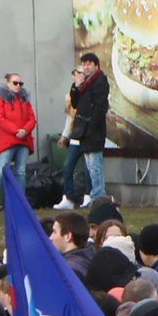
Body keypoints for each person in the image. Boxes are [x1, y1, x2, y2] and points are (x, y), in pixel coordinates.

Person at [63, 52, 107, 207]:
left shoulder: (100, 80)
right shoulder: (83, 83)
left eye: (90, 63)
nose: (87, 67)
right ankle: (96, 197)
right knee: (89, 165)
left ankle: (98, 197)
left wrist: (92, 126)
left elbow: (100, 107)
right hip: (82, 130)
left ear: (96, 65)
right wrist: (76, 86)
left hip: (93, 131)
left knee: (95, 166)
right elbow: (75, 104)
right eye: (84, 64)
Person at [0, 69, 37, 197]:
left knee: (20, 172)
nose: (18, 86)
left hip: (23, 141)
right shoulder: (0, 100)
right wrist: (17, 131)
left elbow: (32, 119)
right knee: (0, 171)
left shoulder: (24, 100)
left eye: (20, 84)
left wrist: (25, 131)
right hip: (8, 141)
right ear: (8, 83)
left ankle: (20, 200)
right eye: (15, 83)